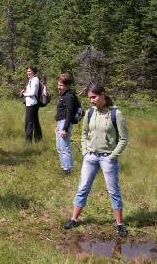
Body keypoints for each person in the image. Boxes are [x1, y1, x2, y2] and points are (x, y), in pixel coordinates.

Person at [64, 83, 129, 238]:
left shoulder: (116, 113)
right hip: (90, 157)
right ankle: (74, 219)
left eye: (94, 97)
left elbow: (124, 139)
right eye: (90, 98)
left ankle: (119, 225)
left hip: (108, 158)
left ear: (103, 94)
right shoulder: (90, 113)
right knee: (83, 188)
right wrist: (85, 151)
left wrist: (113, 156)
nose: (91, 100)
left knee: (113, 191)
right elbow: (84, 133)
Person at [55, 73, 79, 174]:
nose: (59, 87)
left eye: (61, 85)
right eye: (58, 84)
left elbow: (69, 114)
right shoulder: (63, 96)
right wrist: (57, 126)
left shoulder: (69, 97)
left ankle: (67, 169)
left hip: (65, 123)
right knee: (59, 147)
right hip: (60, 123)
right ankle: (63, 167)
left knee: (65, 147)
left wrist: (64, 128)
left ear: (67, 86)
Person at [20, 66, 42, 143]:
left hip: (32, 104)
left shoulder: (35, 80)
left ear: (33, 72)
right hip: (30, 104)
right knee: (35, 122)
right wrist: (24, 91)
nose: (28, 73)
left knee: (28, 123)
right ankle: (38, 140)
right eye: (27, 71)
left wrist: (24, 94)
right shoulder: (31, 80)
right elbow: (30, 91)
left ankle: (28, 142)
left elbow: (33, 93)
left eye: (30, 71)